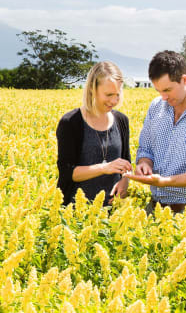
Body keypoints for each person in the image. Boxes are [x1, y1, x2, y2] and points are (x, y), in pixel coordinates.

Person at [124, 50, 186, 215]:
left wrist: (165, 182)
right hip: (155, 207)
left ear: (184, 80)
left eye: (168, 90)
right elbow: (145, 149)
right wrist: (144, 164)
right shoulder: (156, 107)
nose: (163, 97)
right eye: (159, 91)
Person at [56, 61, 132, 206]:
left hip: (111, 215)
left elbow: (126, 163)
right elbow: (67, 172)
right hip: (74, 216)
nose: (114, 101)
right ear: (92, 88)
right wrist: (104, 168)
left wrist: (125, 181)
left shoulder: (121, 121)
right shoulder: (71, 122)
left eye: (117, 94)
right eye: (108, 94)